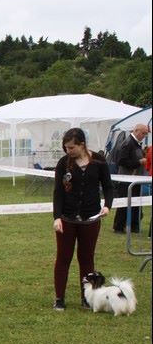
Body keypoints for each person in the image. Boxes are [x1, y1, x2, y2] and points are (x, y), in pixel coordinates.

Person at [52, 127, 113, 311]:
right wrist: (57, 217)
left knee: (86, 259)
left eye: (71, 147)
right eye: (66, 148)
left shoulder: (99, 161)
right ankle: (60, 298)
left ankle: (86, 298)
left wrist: (107, 206)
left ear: (82, 145)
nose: (68, 151)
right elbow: (58, 192)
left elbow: (108, 187)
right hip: (67, 219)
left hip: (91, 219)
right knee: (63, 258)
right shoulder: (64, 163)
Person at [112, 123, 149, 234]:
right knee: (124, 203)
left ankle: (134, 225)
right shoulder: (128, 143)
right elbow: (121, 161)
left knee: (136, 203)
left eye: (146, 134)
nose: (144, 135)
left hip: (135, 178)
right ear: (136, 131)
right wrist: (139, 162)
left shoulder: (136, 144)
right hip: (126, 179)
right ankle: (118, 227)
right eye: (143, 133)